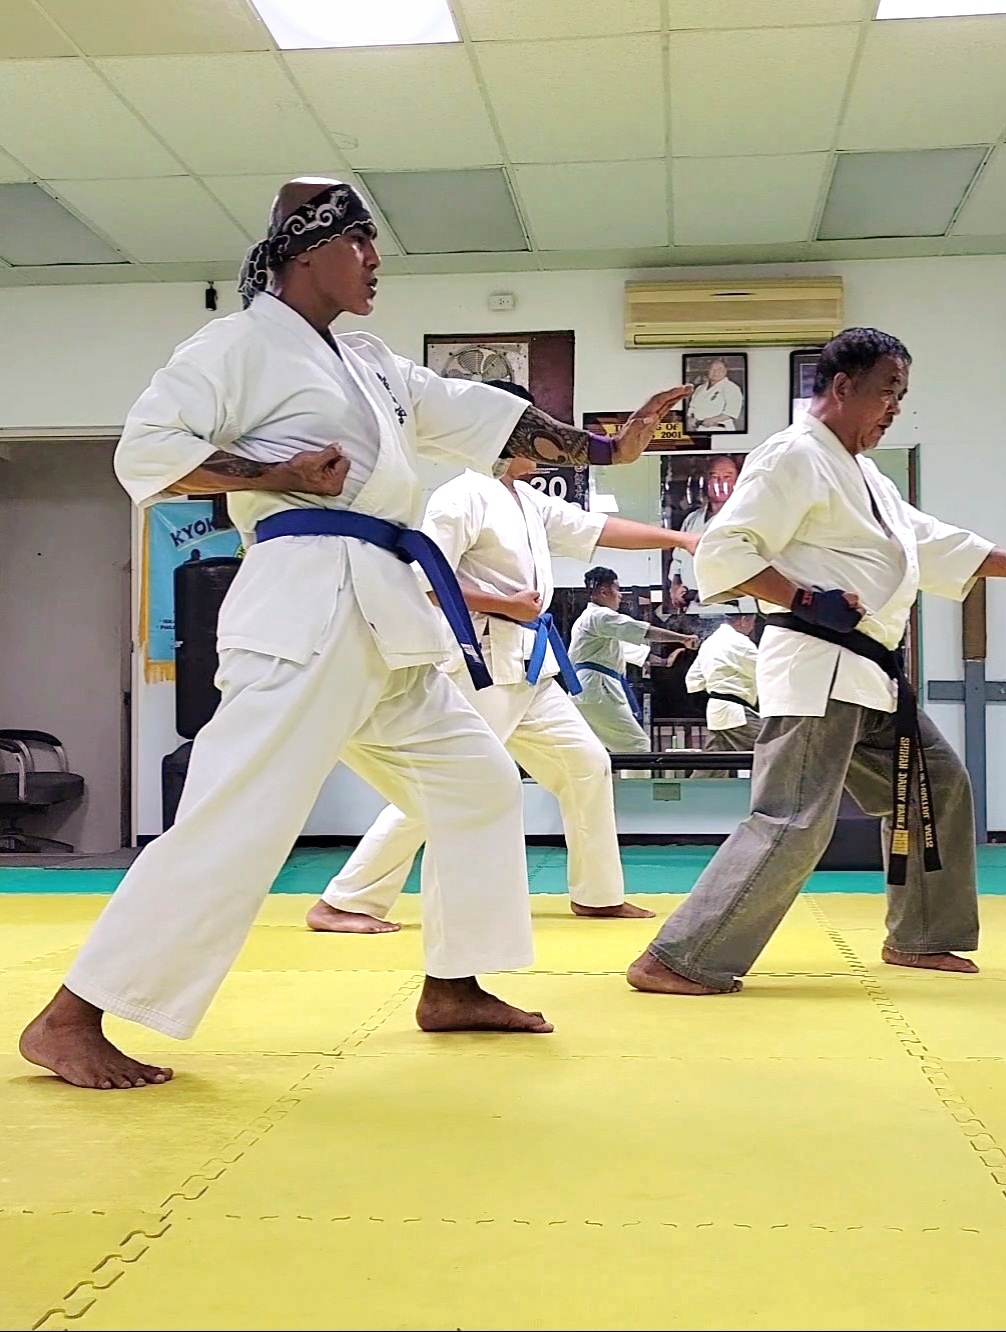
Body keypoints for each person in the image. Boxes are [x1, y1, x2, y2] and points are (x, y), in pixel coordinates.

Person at [18, 176, 690, 1089]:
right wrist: (276, 468)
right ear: (306, 250)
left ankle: (453, 982)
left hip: (387, 604)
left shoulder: (367, 360)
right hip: (305, 594)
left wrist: (609, 447)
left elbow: (482, 417)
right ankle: (73, 1015)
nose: (377, 261)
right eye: (361, 243)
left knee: (478, 782)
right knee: (240, 809)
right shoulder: (238, 344)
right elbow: (146, 454)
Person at [628, 326, 1006, 998]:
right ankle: (679, 958)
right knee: (794, 818)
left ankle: (923, 936)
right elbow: (726, 550)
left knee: (934, 787)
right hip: (817, 668)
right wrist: (805, 596)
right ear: (841, 387)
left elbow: (934, 544)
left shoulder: (862, 471)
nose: (894, 408)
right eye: (886, 392)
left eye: (902, 396)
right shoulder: (791, 457)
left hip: (868, 676)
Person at [308, 383, 701, 934]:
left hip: (530, 669)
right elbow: (423, 582)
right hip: (481, 667)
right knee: (444, 783)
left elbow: (599, 530)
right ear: (497, 430)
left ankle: (598, 893)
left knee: (586, 764)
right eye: (529, 427)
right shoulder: (460, 496)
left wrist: (679, 541)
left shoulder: (526, 498)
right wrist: (504, 604)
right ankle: (345, 901)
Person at [570, 567, 699, 754]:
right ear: (604, 591)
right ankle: (638, 784)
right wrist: (682, 638)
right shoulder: (600, 616)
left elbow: (628, 650)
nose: (620, 595)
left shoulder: (595, 623)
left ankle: (608, 784)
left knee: (596, 750)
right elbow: (642, 631)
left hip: (590, 690)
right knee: (636, 746)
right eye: (617, 589)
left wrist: (663, 662)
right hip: (596, 690)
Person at [685, 597, 761, 765]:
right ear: (743, 620)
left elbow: (693, 680)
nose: (752, 627)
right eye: (753, 622)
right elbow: (764, 671)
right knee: (772, 751)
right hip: (736, 712)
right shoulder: (740, 642)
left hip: (717, 711)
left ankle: (693, 792)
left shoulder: (710, 642)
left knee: (712, 768)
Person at [669, 454, 741, 609]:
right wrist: (675, 587)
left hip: (732, 605)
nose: (720, 483)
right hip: (692, 604)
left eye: (727, 477)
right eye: (714, 477)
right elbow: (678, 560)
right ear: (706, 481)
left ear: (737, 481)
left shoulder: (743, 517)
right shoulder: (693, 519)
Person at [685, 358, 743, 433]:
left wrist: (713, 420)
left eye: (720, 369)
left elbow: (731, 412)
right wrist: (690, 418)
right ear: (708, 371)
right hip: (698, 429)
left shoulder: (731, 387)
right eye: (712, 369)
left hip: (719, 428)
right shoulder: (700, 388)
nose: (716, 372)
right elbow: (692, 407)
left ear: (725, 371)